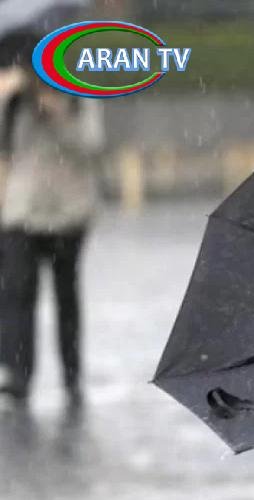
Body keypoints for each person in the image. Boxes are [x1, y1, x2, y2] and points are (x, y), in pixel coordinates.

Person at [0, 45, 105, 408]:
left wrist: (59, 116)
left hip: (68, 214)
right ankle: (19, 375)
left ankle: (71, 375)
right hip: (22, 214)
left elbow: (91, 145)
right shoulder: (14, 101)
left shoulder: (79, 96)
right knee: (18, 295)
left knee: (66, 297)